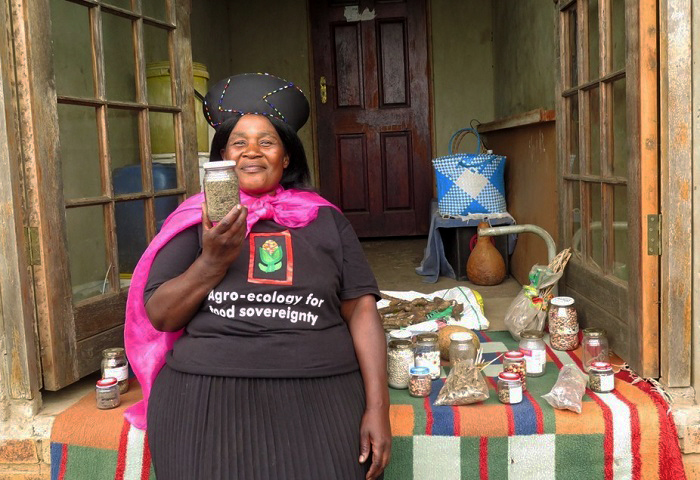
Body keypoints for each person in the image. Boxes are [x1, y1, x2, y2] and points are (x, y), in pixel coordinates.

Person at [123, 73, 391, 480]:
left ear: (286, 159)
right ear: (222, 158)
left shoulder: (326, 220)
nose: (252, 151)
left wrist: (378, 407)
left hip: (321, 393)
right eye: (238, 142)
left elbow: (361, 310)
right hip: (205, 396)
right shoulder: (196, 220)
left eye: (266, 141)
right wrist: (211, 261)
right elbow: (160, 315)